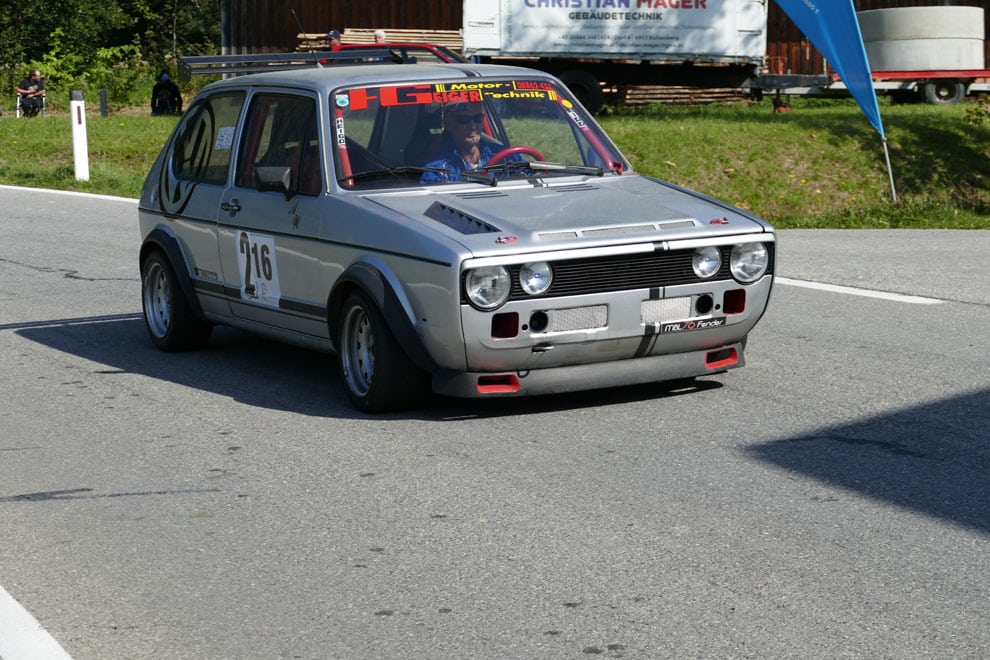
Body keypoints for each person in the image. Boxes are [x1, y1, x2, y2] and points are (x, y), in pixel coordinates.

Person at [420, 102, 524, 183]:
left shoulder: (505, 155)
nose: (473, 126)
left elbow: (531, 177)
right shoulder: (438, 169)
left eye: (478, 118)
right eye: (464, 120)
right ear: (448, 124)